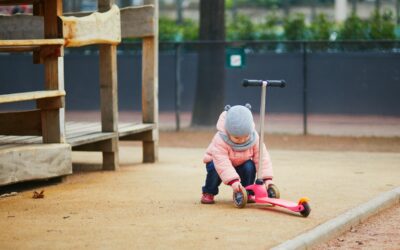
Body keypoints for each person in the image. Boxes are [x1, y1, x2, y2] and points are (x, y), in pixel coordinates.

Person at [201, 104, 275, 204]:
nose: (242, 140)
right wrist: (233, 181)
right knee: (214, 167)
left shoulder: (254, 138)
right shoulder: (220, 139)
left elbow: (262, 158)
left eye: (245, 136)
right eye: (237, 138)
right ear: (228, 131)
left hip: (241, 163)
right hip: (219, 164)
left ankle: (247, 192)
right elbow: (222, 163)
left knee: (249, 166)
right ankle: (209, 192)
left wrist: (267, 179)